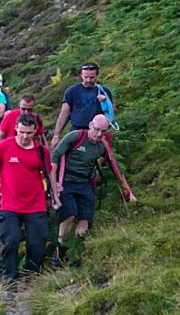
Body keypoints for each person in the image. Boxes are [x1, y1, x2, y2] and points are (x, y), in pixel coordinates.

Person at [49, 114, 136, 266]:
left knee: (85, 220)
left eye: (103, 131)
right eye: (96, 129)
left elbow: (115, 168)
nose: (99, 134)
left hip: (85, 184)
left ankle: (76, 253)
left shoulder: (103, 146)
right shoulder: (75, 137)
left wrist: (128, 191)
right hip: (66, 182)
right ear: (90, 125)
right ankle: (61, 251)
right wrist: (54, 183)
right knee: (69, 215)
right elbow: (55, 156)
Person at [0, 113, 61, 282]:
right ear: (16, 129)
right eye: (21, 132)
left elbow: (49, 172)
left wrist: (55, 196)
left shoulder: (41, 151)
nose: (25, 136)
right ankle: (9, 276)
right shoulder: (4, 146)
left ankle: (31, 275)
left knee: (37, 243)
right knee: (11, 240)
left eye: (29, 133)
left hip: (35, 205)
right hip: (9, 204)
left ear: (35, 132)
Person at [50, 62, 114, 149]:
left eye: (92, 78)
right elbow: (64, 114)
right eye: (86, 77)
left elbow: (111, 114)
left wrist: (105, 102)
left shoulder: (104, 91)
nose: (88, 80)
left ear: (97, 76)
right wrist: (56, 135)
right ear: (81, 75)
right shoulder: (72, 91)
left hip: (97, 133)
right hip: (77, 132)